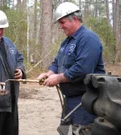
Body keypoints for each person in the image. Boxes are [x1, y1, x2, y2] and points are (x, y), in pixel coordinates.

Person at [37, 2, 105, 135]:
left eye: (62, 22)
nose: (61, 27)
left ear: (74, 19)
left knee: (81, 131)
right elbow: (57, 62)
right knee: (67, 131)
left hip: (85, 102)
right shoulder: (67, 41)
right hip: (70, 100)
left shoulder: (88, 38)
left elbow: (83, 69)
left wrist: (58, 78)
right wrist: (49, 73)